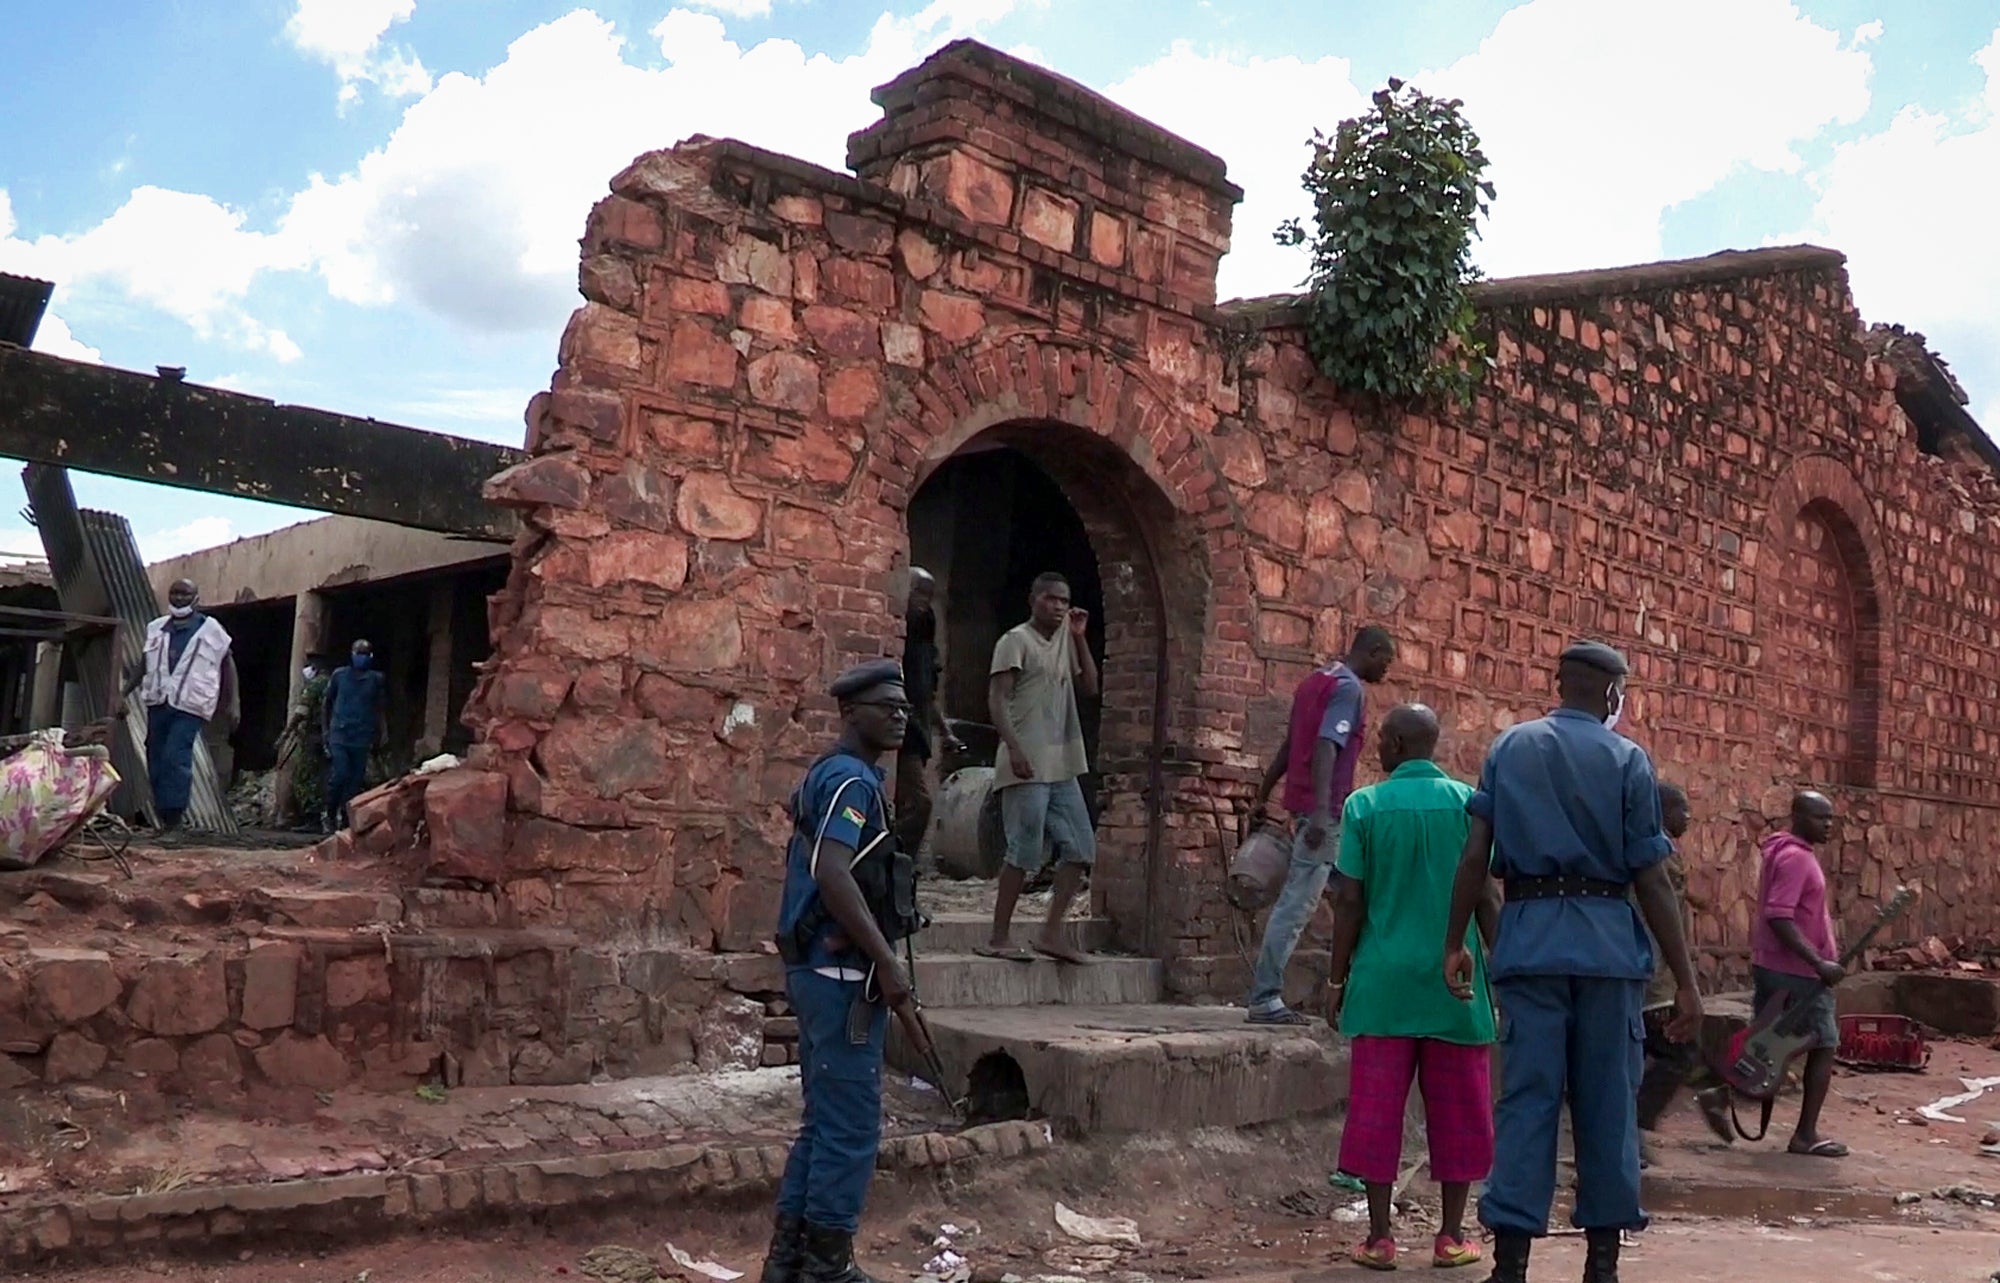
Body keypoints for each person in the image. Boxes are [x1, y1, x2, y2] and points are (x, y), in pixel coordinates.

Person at [1440, 640, 1702, 1283]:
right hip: (1608, 951)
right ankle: (1602, 1264)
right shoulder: (1627, 760)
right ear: (1613, 695)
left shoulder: (1510, 748)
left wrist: (1454, 942)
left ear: (1559, 685)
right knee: (1608, 1102)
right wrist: (1688, 982)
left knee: (1526, 1100)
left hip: (1530, 944)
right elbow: (1652, 878)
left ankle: (1511, 1263)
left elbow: (1475, 858)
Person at [765, 659, 926, 1283]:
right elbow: (833, 874)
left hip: (821, 972)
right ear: (849, 714)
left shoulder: (830, 776)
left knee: (823, 1124)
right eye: (886, 705)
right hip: (839, 976)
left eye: (905, 707)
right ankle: (827, 1268)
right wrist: (888, 964)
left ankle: (790, 1263)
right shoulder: (851, 782)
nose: (899, 715)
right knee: (853, 1128)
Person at [1327, 705, 1498, 1271]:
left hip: (1381, 985)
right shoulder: (1469, 804)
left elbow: (1349, 901)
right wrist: (1506, 972)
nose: (1377, 745)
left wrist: (1336, 977)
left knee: (1378, 1111)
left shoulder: (1364, 806)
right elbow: (1487, 897)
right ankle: (1451, 1236)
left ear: (1398, 743)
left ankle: (1379, 1239)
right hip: (1459, 985)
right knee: (1460, 1109)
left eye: (1381, 738)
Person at [1243, 626, 1397, 1025]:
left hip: (1312, 809)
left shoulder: (1315, 681)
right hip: (1322, 815)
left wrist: (1263, 793)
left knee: (1352, 894)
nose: (1387, 670)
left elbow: (1290, 745)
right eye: (1387, 661)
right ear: (1374, 652)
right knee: (1297, 904)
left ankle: (1358, 990)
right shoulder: (1348, 690)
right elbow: (1328, 746)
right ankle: (1265, 998)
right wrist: (1323, 812)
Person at [980, 572, 1099, 964]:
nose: (1059, 607)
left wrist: (1080, 636)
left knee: (1081, 849)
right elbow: (998, 699)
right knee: (1024, 851)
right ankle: (999, 937)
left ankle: (1051, 933)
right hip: (1026, 761)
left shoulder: (1067, 640)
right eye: (1050, 599)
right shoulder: (1015, 641)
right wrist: (1013, 747)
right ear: (1033, 600)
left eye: (1064, 601)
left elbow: (1090, 688)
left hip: (1062, 765)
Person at [1745, 789, 1848, 1159]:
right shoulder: (1796, 859)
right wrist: (1818, 962)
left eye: (1831, 818)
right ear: (1799, 817)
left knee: (1768, 1043)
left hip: (1777, 966)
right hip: (1797, 972)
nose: (1828, 825)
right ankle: (1805, 1135)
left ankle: (1718, 1087)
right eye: (1822, 818)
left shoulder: (1783, 852)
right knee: (1824, 1044)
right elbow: (1779, 915)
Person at [1636, 782, 1722, 1162]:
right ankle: (1634, 1128)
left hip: (1642, 973)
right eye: (1681, 810)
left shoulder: (1645, 848)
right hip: (1656, 981)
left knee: (1649, 1053)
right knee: (1679, 1051)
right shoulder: (1661, 854)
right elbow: (1662, 909)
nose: (1688, 817)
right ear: (1663, 812)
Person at [124, 578, 238, 831]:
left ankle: (174, 821)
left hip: (190, 705)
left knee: (176, 758)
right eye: (175, 593)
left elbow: (227, 663)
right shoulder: (156, 627)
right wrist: (123, 692)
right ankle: (164, 819)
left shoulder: (211, 629)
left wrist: (233, 702)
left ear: (196, 597)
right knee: (155, 758)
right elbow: (143, 663)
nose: (179, 598)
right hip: (159, 702)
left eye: (186, 594)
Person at [895, 568, 963, 857]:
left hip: (917, 734)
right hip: (900, 732)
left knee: (907, 804)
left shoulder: (923, 645)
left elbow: (927, 695)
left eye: (928, 595)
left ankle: (898, 867)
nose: (923, 601)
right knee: (919, 804)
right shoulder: (896, 640)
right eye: (918, 592)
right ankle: (897, 861)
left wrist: (945, 732)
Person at [321, 639, 388, 833]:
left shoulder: (376, 679)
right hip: (340, 734)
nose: (361, 657)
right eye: (358, 653)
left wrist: (382, 732)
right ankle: (329, 813)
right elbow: (327, 704)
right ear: (351, 654)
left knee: (355, 780)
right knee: (340, 774)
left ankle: (345, 818)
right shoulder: (339, 676)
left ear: (371, 657)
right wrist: (326, 730)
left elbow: (380, 708)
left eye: (365, 654)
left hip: (362, 735)